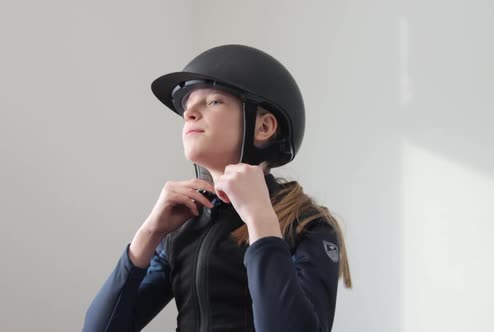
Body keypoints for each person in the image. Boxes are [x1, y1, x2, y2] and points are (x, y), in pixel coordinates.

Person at [82, 44, 352, 332]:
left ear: (264, 127)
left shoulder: (307, 224)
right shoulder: (182, 231)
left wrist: (260, 219)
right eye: (187, 107)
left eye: (212, 102)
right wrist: (150, 232)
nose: (190, 113)